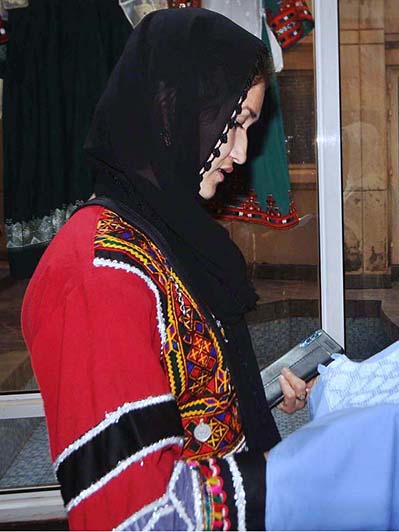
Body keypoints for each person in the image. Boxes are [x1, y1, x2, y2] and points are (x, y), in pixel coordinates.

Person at [21, 8, 310, 530]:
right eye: (235, 123)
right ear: (173, 109)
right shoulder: (98, 271)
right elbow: (135, 511)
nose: (242, 154)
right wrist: (308, 475)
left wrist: (251, 401)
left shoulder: (163, 232)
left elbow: (185, 383)